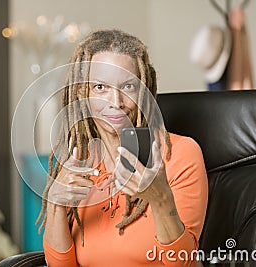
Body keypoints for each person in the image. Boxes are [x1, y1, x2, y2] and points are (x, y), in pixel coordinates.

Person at [36, 29, 208, 266]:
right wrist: (56, 204)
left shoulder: (180, 154)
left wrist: (160, 199)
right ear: (81, 94)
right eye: (100, 88)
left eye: (128, 86)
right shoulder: (75, 162)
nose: (115, 103)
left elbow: (183, 263)